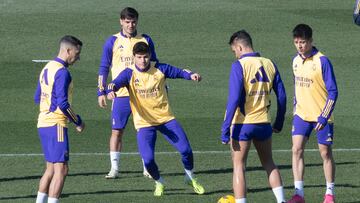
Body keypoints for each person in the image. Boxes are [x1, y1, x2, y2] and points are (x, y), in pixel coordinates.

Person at [106, 42, 205, 197]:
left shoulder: (160, 68)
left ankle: (190, 177)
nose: (143, 60)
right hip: (144, 124)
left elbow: (178, 72)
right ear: (133, 57)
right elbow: (114, 83)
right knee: (148, 160)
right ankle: (159, 182)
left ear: (150, 56)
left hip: (166, 119)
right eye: (139, 57)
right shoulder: (128, 73)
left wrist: (190, 75)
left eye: (145, 57)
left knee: (186, 150)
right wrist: (110, 90)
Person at [221, 30, 287, 203]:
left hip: (243, 124)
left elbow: (234, 98)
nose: (235, 55)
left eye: (234, 51)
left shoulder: (239, 65)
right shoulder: (269, 63)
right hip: (264, 124)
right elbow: (282, 96)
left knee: (239, 166)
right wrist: (279, 122)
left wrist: (225, 128)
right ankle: (281, 201)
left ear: (240, 46)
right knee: (269, 163)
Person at [97, 7, 158, 179]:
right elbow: (103, 67)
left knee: (145, 130)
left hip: (143, 94)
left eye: (133, 22)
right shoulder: (113, 41)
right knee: (117, 130)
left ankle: (147, 166)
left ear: (137, 22)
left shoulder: (146, 40)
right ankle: (114, 168)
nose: (131, 25)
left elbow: (154, 64)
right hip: (121, 94)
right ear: (121, 21)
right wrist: (100, 92)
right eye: (127, 22)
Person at [287, 24, 338, 203]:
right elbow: (296, 86)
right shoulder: (295, 61)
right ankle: (298, 194)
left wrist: (324, 116)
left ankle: (329, 193)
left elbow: (333, 91)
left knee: (325, 153)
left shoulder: (322, 61)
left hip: (321, 116)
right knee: (296, 149)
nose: (300, 46)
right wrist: (295, 108)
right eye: (296, 42)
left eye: (302, 42)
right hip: (301, 115)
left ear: (310, 41)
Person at [34, 35, 85, 203]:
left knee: (50, 169)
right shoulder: (62, 72)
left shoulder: (47, 68)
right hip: (56, 124)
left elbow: (37, 97)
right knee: (61, 170)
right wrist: (77, 120)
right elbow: (63, 104)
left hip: (43, 123)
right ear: (68, 50)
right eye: (77, 53)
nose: (78, 58)